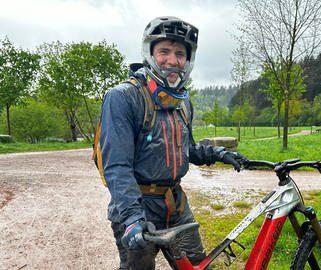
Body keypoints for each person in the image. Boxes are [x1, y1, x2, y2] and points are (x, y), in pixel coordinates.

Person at [98, 16, 246, 269]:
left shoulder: (182, 102)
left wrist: (219, 154)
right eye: (164, 51)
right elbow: (117, 166)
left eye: (180, 53)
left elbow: (186, 149)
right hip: (137, 208)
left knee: (198, 266)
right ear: (150, 53)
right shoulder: (123, 97)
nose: (172, 60)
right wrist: (133, 217)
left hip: (176, 206)